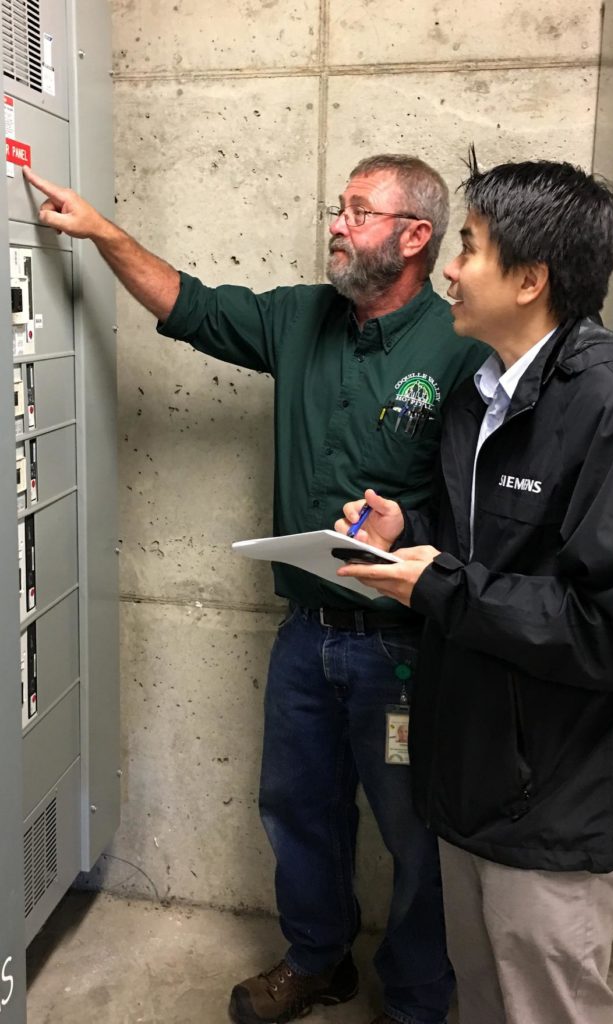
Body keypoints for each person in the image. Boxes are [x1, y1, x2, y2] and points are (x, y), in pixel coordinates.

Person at [23, 155, 488, 1024]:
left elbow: (488, 499)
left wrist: (412, 536)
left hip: (405, 648)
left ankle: (422, 1000)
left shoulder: (457, 341)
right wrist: (99, 231)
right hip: (307, 634)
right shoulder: (300, 318)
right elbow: (189, 303)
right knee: (297, 808)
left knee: (415, 834)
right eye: (337, 208)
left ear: (415, 236)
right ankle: (318, 961)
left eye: (358, 211)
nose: (337, 224)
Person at [335, 151, 613, 1024]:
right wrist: (410, 542)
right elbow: (494, 563)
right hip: (473, 780)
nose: (450, 271)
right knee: (487, 1001)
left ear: (530, 278)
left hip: (556, 805)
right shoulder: (482, 396)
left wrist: (440, 586)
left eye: (468, 247)